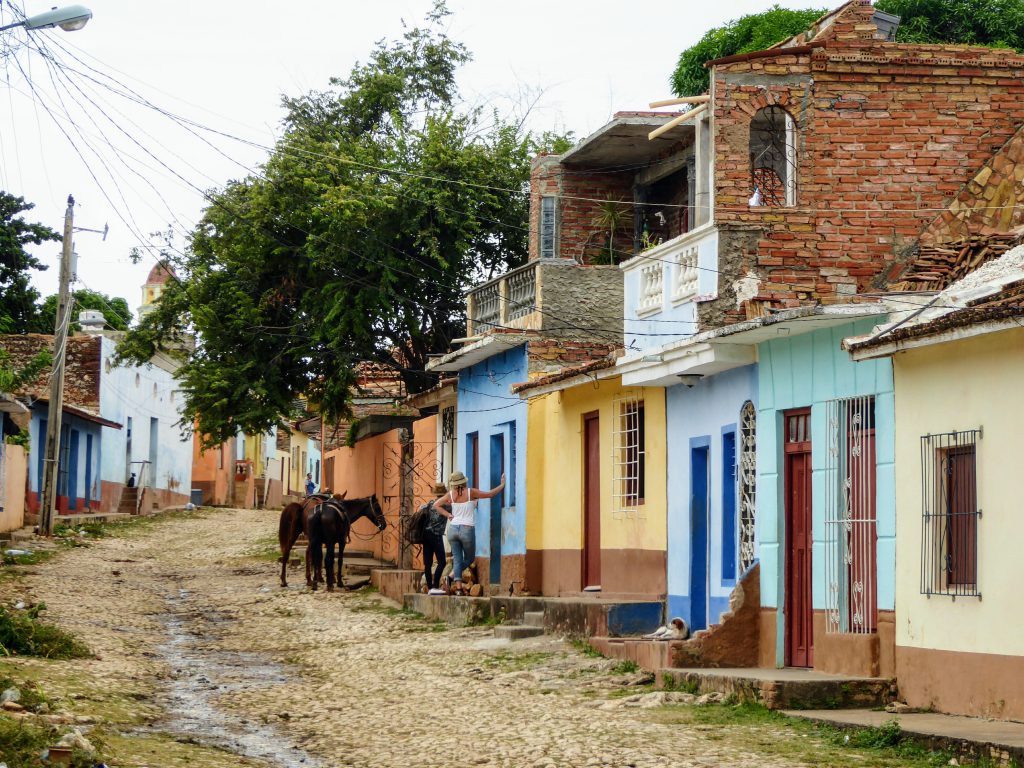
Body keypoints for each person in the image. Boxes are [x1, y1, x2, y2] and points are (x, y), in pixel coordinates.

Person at [432, 470, 505, 595]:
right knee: (469, 558)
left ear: (454, 484)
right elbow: (490, 494)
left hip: (453, 529)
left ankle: (458, 588)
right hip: (467, 529)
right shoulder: (471, 492)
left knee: (458, 559)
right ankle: (450, 577)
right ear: (464, 482)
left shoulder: (450, 495)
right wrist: (502, 485)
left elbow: (436, 505)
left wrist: (448, 514)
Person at [423, 484, 451, 595]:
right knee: (442, 562)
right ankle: (435, 586)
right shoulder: (446, 506)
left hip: (425, 535)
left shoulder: (429, 504)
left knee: (428, 564)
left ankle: (430, 588)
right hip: (436, 535)